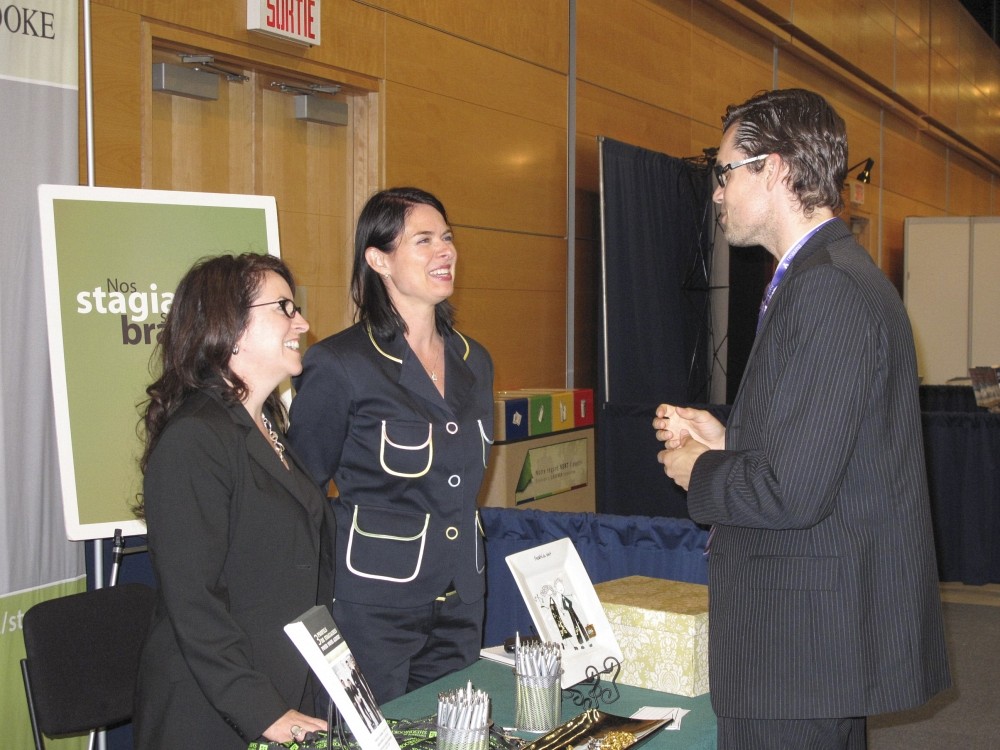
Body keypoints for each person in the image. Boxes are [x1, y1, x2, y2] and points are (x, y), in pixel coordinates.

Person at [652, 89, 950, 749]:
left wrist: (699, 467)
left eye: (725, 171)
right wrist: (729, 441)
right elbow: (828, 458)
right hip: (813, 649)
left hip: (797, 649)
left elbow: (792, 489)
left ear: (775, 169)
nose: (717, 193)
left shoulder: (827, 290)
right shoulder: (821, 278)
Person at [287, 186, 495, 703]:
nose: (445, 251)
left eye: (446, 238)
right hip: (373, 606)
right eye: (423, 241)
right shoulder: (341, 363)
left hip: (462, 596)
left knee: (453, 737)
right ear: (378, 259)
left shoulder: (476, 360)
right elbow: (298, 487)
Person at [133, 253, 336, 748]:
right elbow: (193, 603)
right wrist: (264, 711)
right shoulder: (195, 439)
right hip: (214, 714)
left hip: (284, 690)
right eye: (284, 307)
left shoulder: (266, 427)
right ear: (232, 328)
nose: (302, 322)